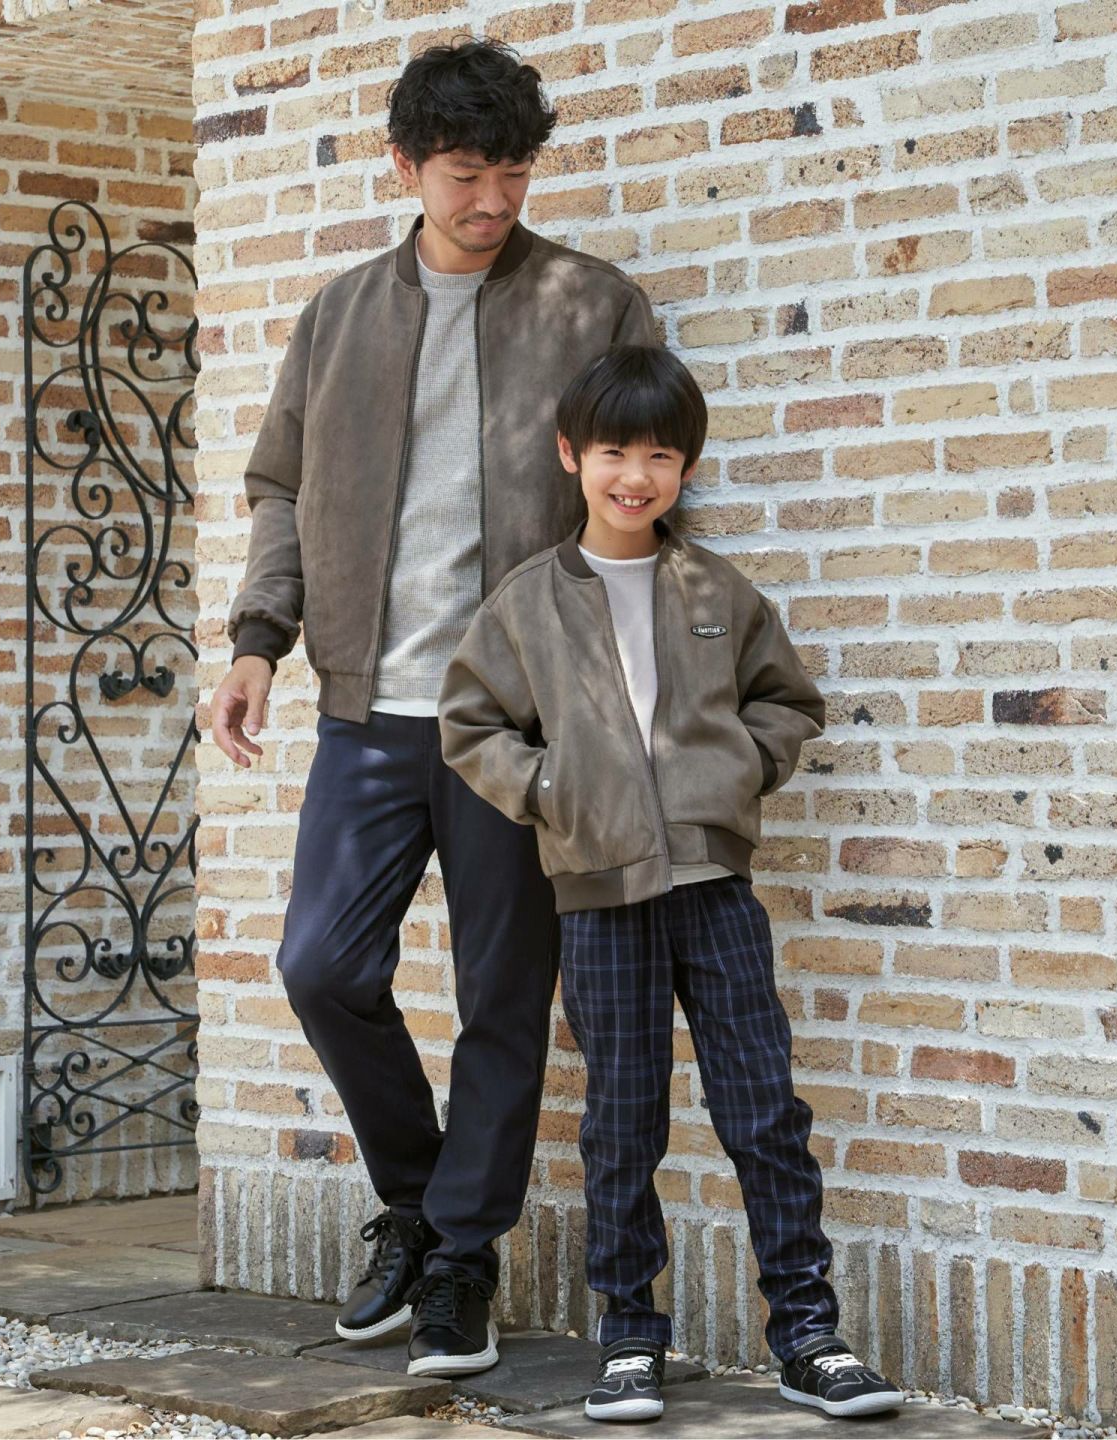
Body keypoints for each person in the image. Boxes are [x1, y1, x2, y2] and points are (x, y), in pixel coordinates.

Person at [209, 38, 656, 1378]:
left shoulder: (594, 305)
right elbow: (281, 486)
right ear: (404, 167)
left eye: (514, 172)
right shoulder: (340, 315)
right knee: (322, 967)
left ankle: (461, 1260)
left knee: (502, 998)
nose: (493, 201)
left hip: (518, 722)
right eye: (466, 174)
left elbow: (641, 496)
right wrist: (257, 640)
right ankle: (417, 1202)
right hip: (369, 708)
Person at [438, 345, 905, 1422]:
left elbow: (787, 703)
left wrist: (734, 770)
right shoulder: (527, 601)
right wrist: (549, 786)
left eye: (660, 456)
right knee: (623, 1122)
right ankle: (630, 1338)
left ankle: (809, 1335)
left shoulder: (716, 590)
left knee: (763, 1110)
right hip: (600, 895)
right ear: (571, 456)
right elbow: (471, 725)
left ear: (686, 469)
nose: (635, 475)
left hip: (713, 886)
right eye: (614, 452)